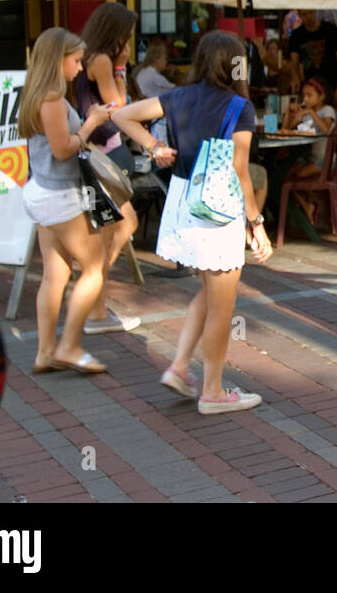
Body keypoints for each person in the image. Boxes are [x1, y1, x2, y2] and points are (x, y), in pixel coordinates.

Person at [112, 30, 273, 413]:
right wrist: (257, 223)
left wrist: (154, 148)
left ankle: (180, 367)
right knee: (223, 304)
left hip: (184, 201)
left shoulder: (177, 97)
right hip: (219, 210)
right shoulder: (239, 107)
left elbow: (121, 115)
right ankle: (213, 391)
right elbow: (241, 172)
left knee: (209, 289)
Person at [17, 29, 118, 375]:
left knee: (54, 274)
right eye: (75, 60)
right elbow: (63, 150)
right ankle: (69, 347)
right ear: (57, 59)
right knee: (93, 268)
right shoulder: (51, 99)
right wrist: (90, 123)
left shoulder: (38, 95)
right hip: (59, 195)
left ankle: (46, 352)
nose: (79, 68)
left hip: (43, 193)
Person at [74, 1, 141, 334]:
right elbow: (119, 107)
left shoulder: (86, 56)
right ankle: (93, 300)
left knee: (118, 226)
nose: (127, 43)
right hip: (103, 152)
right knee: (115, 228)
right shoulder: (101, 60)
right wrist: (121, 67)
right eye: (126, 35)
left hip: (96, 151)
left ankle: (94, 297)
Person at [288, 9, 337, 105]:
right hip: (310, 83)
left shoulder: (330, 29)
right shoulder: (297, 35)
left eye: (311, 12)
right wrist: (296, 77)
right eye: (305, 14)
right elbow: (294, 61)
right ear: (300, 15)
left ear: (315, 12)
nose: (309, 17)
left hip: (331, 83)